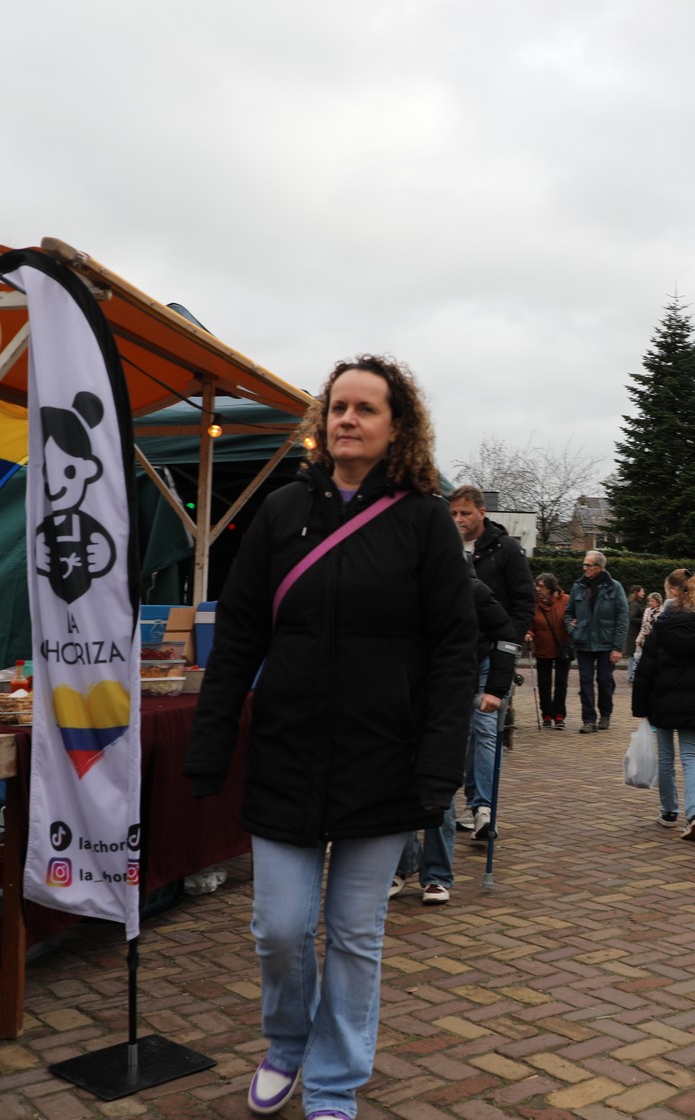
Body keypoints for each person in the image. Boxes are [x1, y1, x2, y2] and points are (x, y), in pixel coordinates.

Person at [185, 354, 476, 1120]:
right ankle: (287, 1043)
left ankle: (335, 1080)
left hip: (384, 758)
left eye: (365, 408)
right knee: (280, 928)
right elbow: (239, 636)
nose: (347, 418)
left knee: (353, 933)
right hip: (286, 752)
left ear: (397, 427)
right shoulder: (281, 512)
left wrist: (439, 762)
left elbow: (454, 650)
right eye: (338, 406)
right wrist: (211, 740)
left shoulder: (424, 521)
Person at [396, 577, 517, 901]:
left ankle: (437, 874)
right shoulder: (397, 583)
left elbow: (505, 634)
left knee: (439, 781)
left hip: (452, 692)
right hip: (405, 692)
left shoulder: (471, 589)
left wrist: (494, 689)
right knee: (398, 781)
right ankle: (404, 864)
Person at [448, 485, 533, 841]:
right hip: (454, 655)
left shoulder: (506, 549)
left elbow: (523, 601)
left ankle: (483, 808)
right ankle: (469, 804)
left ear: (482, 512)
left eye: (465, 513)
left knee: (485, 728)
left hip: (491, 652)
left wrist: (507, 648)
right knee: (462, 732)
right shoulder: (443, 546)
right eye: (454, 513)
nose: (459, 520)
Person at [632, 569, 695, 840]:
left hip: (663, 700)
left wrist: (640, 707)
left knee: (666, 758)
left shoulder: (661, 626)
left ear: (672, 592)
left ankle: (669, 811)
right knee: (689, 756)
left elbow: (646, 670)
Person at [565, 549, 629, 733]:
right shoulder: (578, 586)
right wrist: (573, 630)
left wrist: (618, 647)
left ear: (599, 567)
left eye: (588, 565)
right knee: (585, 681)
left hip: (606, 643)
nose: (584, 568)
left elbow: (622, 618)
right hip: (584, 642)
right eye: (584, 564)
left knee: (604, 680)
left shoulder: (615, 587)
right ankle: (589, 720)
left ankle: (605, 714)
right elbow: (568, 613)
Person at [527, 572, 573, 730]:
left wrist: (574, 625)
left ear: (551, 588)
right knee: (544, 683)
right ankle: (546, 714)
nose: (538, 589)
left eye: (541, 586)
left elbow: (573, 617)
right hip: (543, 648)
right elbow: (530, 625)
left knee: (561, 683)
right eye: (537, 586)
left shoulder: (566, 600)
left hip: (562, 648)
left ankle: (559, 715)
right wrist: (529, 634)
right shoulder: (534, 603)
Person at [633, 591, 664, 663]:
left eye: (652, 601)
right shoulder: (647, 610)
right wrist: (639, 639)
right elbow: (643, 626)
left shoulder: (663, 611)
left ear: (658, 602)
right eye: (649, 601)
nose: (650, 603)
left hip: (657, 639)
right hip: (646, 638)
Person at [624, 584, 647, 681]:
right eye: (642, 591)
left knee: (634, 656)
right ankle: (631, 676)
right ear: (637, 592)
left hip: (632, 633)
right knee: (634, 656)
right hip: (634, 633)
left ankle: (631, 675)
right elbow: (632, 618)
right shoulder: (635, 604)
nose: (644, 593)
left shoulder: (634, 603)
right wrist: (644, 620)